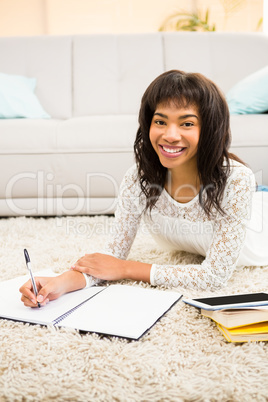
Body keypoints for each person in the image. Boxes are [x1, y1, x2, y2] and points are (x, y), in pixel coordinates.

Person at [20, 70, 268, 308]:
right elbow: (112, 255)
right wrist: (60, 283)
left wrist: (127, 269)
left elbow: (214, 276)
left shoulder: (237, 179)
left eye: (187, 124)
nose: (170, 135)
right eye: (160, 121)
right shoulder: (138, 179)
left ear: (210, 130)